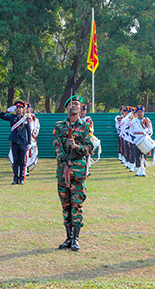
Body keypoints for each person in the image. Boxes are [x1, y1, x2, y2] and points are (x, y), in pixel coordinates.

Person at [53, 94, 94, 251]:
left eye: (77, 104)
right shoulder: (59, 126)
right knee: (65, 205)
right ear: (67, 108)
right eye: (71, 104)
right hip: (63, 171)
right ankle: (68, 237)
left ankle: (76, 239)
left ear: (81, 108)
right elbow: (56, 145)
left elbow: (89, 149)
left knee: (77, 205)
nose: (74, 106)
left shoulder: (85, 127)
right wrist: (63, 161)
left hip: (77, 173)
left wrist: (76, 146)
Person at [0, 101, 32, 184]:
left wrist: (29, 143)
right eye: (17, 108)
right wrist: (7, 110)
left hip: (23, 142)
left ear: (23, 109)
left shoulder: (26, 118)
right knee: (15, 161)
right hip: (14, 141)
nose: (18, 110)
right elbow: (0, 116)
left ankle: (21, 178)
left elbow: (28, 131)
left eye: (20, 108)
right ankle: (15, 178)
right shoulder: (12, 117)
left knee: (22, 162)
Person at [129, 105, 154, 177]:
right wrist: (132, 137)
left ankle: (143, 171)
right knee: (137, 156)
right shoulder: (133, 121)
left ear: (143, 112)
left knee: (143, 156)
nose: (139, 113)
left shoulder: (147, 120)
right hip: (136, 140)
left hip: (144, 139)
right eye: (138, 112)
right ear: (136, 113)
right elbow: (131, 131)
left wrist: (148, 137)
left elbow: (150, 130)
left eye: (141, 112)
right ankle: (138, 170)